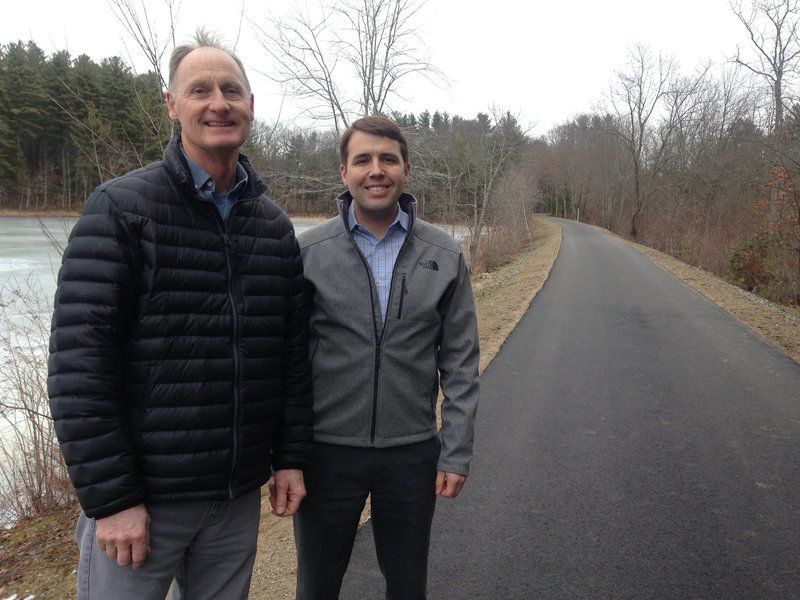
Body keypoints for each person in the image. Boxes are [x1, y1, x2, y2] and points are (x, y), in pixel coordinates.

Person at [47, 30, 312, 600]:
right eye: (199, 90)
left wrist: (289, 457)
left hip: (234, 499)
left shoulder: (273, 227)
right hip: (143, 502)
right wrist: (113, 499)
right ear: (172, 105)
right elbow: (79, 369)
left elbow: (289, 356)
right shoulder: (120, 210)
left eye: (231, 90)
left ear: (249, 105)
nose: (218, 102)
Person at [295, 115, 480, 599]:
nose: (375, 170)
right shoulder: (309, 252)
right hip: (326, 453)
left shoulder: (443, 253)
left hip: (412, 453)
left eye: (387, 159)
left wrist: (455, 450)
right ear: (344, 172)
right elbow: (286, 362)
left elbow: (460, 362)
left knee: (406, 585)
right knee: (317, 586)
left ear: (406, 170)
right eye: (362, 160)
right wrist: (285, 456)